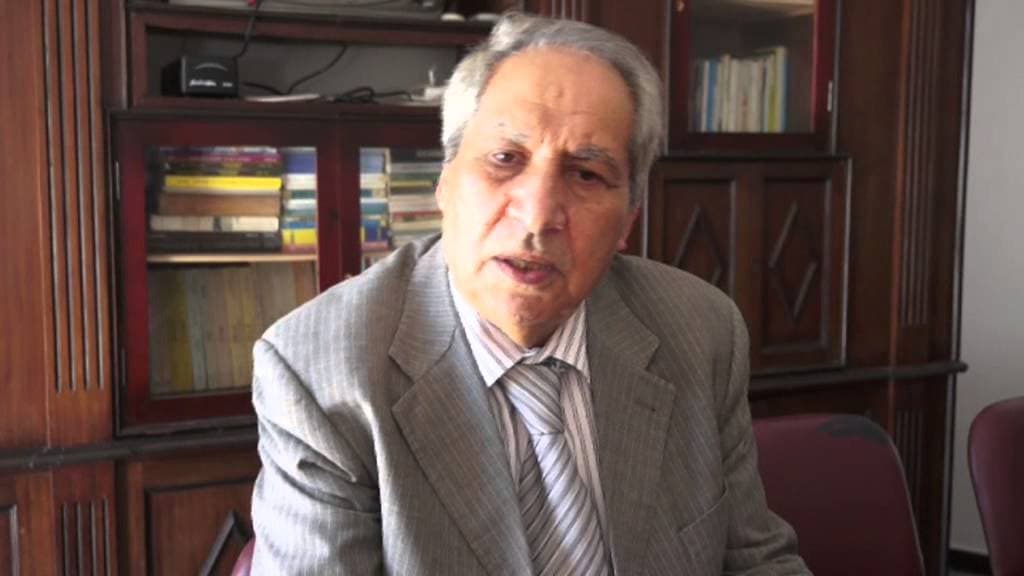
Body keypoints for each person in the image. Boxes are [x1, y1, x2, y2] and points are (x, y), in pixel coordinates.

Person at [251, 13, 809, 575]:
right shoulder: (321, 373)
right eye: (505, 159)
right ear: (445, 182)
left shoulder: (701, 329)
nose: (538, 215)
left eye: (586, 174)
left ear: (628, 219)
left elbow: (756, 562)